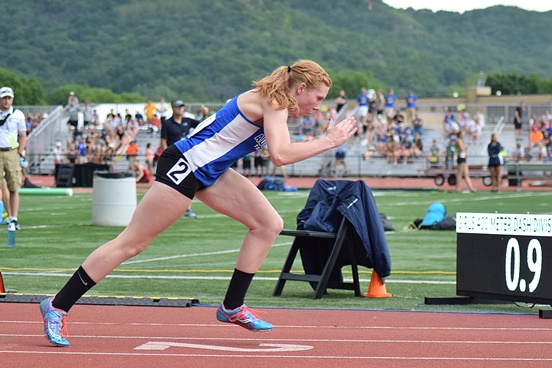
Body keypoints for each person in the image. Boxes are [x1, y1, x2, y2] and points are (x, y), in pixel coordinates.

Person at [38, 60, 357, 346]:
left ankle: (232, 306)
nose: (317, 107)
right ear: (300, 88)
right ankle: (58, 304)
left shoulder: (275, 103)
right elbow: (281, 156)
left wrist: (321, 140)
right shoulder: (273, 101)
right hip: (185, 167)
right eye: (317, 98)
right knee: (131, 244)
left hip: (212, 171)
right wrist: (328, 141)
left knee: (268, 224)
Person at [160, 99, 201, 219]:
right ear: (173, 108)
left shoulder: (187, 121)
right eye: (178, 107)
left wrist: (204, 113)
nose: (180, 109)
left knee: (188, 182)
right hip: (173, 156)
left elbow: (203, 124)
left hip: (187, 156)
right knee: (170, 184)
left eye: (182, 107)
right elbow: (163, 141)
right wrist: (166, 156)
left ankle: (187, 209)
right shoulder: (167, 123)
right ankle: (166, 207)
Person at [0, 87, 27, 231]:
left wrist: (20, 152)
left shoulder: (17, 115)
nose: (6, 100)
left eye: (9, 98)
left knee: (13, 186)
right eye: (4, 98)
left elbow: (23, 135)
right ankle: (9, 215)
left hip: (11, 152)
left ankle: (13, 218)